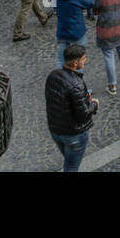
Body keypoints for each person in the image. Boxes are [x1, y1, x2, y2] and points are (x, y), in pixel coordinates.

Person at [45, 43, 98, 172]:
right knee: (71, 167)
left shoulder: (53, 75)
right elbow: (83, 114)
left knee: (69, 161)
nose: (85, 60)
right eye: (84, 58)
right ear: (75, 63)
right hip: (74, 134)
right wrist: (94, 105)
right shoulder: (76, 84)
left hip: (56, 130)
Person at [53, 0, 93, 70]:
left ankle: (60, 83)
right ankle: (77, 85)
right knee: (78, 62)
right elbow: (89, 4)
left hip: (62, 30)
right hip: (76, 31)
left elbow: (55, 6)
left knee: (60, 60)